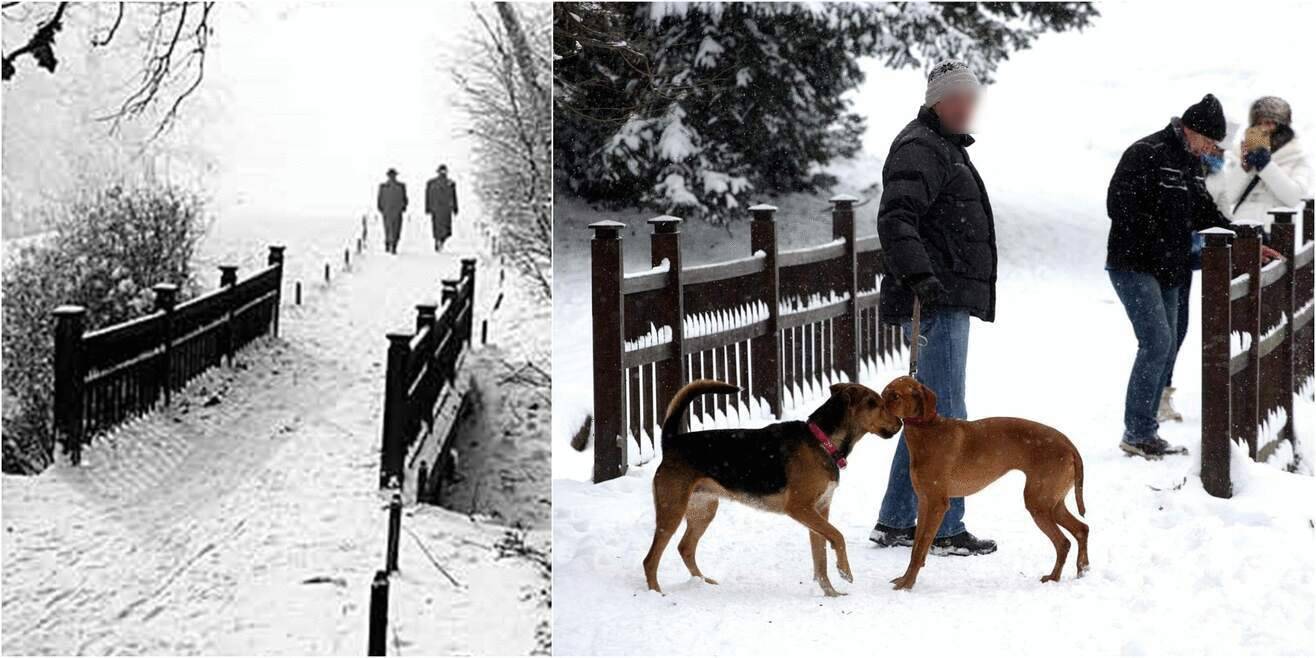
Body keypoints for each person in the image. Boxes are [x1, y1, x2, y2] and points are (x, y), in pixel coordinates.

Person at [868, 60, 997, 557]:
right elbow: (897, 218)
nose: (966, 108)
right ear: (936, 101)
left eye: (971, 99)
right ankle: (942, 527)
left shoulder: (943, 147)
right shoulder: (922, 147)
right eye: (957, 99)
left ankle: (899, 520)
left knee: (927, 416)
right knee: (943, 418)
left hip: (944, 297)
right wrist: (921, 277)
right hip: (933, 301)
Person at [1105, 94, 1280, 459]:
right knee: (1155, 341)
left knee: (1166, 345)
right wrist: (1157, 238)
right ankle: (1137, 431)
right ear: (1192, 130)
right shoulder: (1146, 152)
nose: (1211, 150)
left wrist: (1246, 245)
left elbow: (1205, 211)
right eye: (1209, 142)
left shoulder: (1188, 163)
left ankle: (1145, 430)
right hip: (1135, 265)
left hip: (1170, 268)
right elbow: (1118, 204)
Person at [1217, 96, 1312, 230]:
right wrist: (1244, 168)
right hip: (1244, 228)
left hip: (1278, 229)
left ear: (1282, 126)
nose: (1263, 128)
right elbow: (1227, 198)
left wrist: (1266, 166)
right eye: (1258, 123)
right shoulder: (1238, 154)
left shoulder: (1297, 156)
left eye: (1269, 122)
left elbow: (1294, 198)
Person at [425, 164, 459, 252]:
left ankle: (441, 240)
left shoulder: (450, 183)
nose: (443, 173)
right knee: (437, 227)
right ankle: (438, 240)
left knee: (446, 229)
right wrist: (427, 207)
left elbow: (454, 196)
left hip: (446, 209)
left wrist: (455, 207)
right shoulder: (431, 183)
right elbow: (427, 196)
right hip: (436, 209)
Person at [377, 168, 408, 254]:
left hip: (391, 211)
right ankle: (392, 244)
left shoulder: (399, 186)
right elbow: (380, 200)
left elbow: (405, 199)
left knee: (391, 228)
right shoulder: (385, 187)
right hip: (392, 211)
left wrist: (403, 207)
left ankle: (390, 243)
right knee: (394, 229)